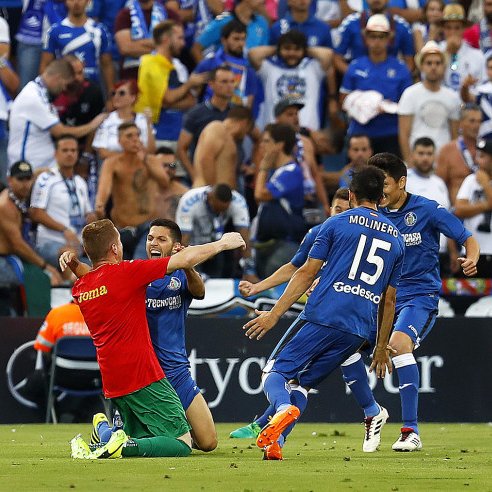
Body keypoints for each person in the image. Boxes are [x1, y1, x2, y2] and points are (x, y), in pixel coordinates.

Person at [243, 166, 405, 460]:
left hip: (323, 314)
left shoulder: (335, 224)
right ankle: (275, 444)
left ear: (352, 194)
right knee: (302, 385)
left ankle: (280, 410)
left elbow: (306, 272)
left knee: (274, 373)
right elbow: (390, 300)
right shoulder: (397, 238)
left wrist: (274, 315)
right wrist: (380, 347)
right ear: (382, 197)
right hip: (359, 328)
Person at [64, 218, 245, 459]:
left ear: (174, 244)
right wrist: (223, 243)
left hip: (154, 373)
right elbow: (106, 276)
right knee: (180, 443)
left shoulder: (86, 286)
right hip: (146, 373)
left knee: (207, 441)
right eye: (150, 238)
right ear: (115, 248)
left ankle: (104, 431)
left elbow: (99, 279)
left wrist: (76, 265)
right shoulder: (132, 273)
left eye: (161, 239)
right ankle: (113, 437)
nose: (153, 243)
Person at [371, 152, 479, 451]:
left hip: (419, 297)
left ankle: (410, 431)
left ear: (402, 182)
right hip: (380, 299)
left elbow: (466, 236)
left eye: (385, 183)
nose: (380, 190)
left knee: (399, 345)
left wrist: (471, 257)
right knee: (340, 342)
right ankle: (371, 413)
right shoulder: (372, 215)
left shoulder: (427, 210)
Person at [7, 58, 107, 170]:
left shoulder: (40, 92)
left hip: (43, 165)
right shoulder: (33, 97)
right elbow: (60, 131)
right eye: (64, 84)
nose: (64, 88)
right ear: (57, 78)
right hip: (28, 168)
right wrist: (93, 124)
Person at [94, 122, 170, 259]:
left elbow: (164, 182)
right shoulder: (112, 163)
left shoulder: (151, 160)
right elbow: (104, 188)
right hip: (121, 228)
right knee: (122, 270)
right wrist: (100, 204)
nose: (135, 139)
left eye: (137, 135)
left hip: (148, 226)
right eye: (129, 136)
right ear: (120, 141)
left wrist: (145, 159)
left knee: (138, 266)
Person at [340, 14, 412, 157]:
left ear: (389, 39)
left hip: (390, 134)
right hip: (360, 135)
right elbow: (343, 99)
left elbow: (407, 104)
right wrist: (364, 103)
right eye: (373, 36)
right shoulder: (355, 67)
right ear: (366, 39)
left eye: (381, 37)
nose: (377, 41)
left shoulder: (401, 69)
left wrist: (386, 106)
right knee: (358, 178)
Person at [134, 20, 208, 155]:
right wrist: (189, 85)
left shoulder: (179, 66)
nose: (183, 43)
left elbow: (191, 101)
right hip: (157, 135)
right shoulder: (150, 63)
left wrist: (174, 99)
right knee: (162, 172)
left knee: (176, 173)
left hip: (178, 135)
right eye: (179, 38)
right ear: (166, 39)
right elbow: (167, 99)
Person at [30, 135, 95, 270]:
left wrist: (93, 218)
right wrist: (64, 229)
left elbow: (88, 214)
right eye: (65, 150)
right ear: (56, 154)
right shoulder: (46, 178)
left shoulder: (80, 182)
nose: (70, 154)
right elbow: (36, 213)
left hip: (78, 245)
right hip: (51, 243)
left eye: (73, 150)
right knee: (69, 258)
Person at [249, 30, 337, 131]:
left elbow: (328, 54)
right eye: (287, 48)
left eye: (296, 49)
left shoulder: (312, 68)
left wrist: (303, 49)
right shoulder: (270, 69)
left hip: (307, 133)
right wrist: (278, 48)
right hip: (275, 132)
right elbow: (253, 54)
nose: (292, 53)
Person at [253, 123, 307, 279]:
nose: (262, 145)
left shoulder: (291, 171)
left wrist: (263, 168)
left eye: (266, 141)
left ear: (279, 145)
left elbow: (260, 195)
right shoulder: (277, 173)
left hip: (284, 244)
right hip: (269, 244)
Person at [0, 161, 62, 287]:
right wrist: (45, 267)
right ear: (10, 180)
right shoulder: (5, 205)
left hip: (24, 249)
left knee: (64, 253)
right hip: (5, 258)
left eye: (28, 179)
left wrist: (43, 171)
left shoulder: (23, 193)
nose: (25, 184)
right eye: (20, 179)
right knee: (39, 277)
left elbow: (35, 176)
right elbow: (18, 245)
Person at [398, 40, 460, 164]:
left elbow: (455, 136)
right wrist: (410, 162)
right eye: (429, 63)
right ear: (422, 66)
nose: (433, 67)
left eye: (437, 63)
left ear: (443, 66)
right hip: (417, 160)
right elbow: (404, 133)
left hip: (443, 161)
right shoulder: (410, 94)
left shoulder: (452, 97)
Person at [176, 183, 255, 279]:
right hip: (193, 247)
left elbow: (244, 238)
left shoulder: (238, 203)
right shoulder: (189, 202)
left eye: (224, 210)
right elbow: (183, 239)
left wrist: (249, 270)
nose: (220, 213)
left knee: (217, 280)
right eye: (217, 209)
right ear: (210, 198)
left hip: (217, 247)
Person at [273, 97, 330, 217]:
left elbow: (315, 175)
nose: (295, 118)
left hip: (309, 202)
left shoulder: (306, 142)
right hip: (283, 202)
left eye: (296, 113)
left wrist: (325, 204)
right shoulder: (270, 142)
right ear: (277, 119)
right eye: (289, 114)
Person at [176, 66, 235, 182]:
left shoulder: (237, 113)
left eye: (232, 82)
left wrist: (252, 166)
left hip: (231, 178)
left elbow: (258, 137)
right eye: (224, 82)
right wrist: (194, 175)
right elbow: (181, 149)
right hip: (202, 178)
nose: (229, 86)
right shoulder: (196, 114)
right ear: (211, 84)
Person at [40, 0, 114, 91]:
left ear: (88, 1)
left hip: (92, 91)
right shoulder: (54, 31)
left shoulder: (100, 30)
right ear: (65, 1)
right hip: (64, 91)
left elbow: (107, 65)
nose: (76, 2)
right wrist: (46, 92)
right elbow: (45, 65)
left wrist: (111, 95)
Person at [334, 0, 415, 74]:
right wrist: (356, 76)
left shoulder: (402, 26)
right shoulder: (350, 23)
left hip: (391, 78)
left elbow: (409, 63)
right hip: (358, 81)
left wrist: (396, 79)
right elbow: (337, 59)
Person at [194, 20, 258, 108]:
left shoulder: (249, 68)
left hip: (234, 116)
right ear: (224, 40)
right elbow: (194, 93)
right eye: (236, 39)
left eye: (243, 39)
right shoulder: (209, 63)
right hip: (209, 115)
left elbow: (249, 103)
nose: (240, 43)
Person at [113, 0, 179, 80]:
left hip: (165, 73)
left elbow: (176, 44)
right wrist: (160, 44)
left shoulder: (170, 14)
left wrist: (137, 43)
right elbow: (125, 48)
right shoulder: (124, 15)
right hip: (133, 75)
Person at [454, 138, 492, 277]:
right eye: (477, 156)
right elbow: (459, 209)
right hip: (472, 252)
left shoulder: (481, 180)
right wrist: (486, 205)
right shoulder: (471, 180)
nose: (477, 161)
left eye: (482, 157)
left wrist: (486, 185)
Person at [92, 79, 156, 161]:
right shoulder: (106, 120)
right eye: (113, 93)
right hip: (113, 167)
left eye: (121, 93)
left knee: (167, 163)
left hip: (140, 167)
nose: (116, 96)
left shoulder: (144, 120)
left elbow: (151, 152)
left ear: (133, 97)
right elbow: (102, 153)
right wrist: (130, 157)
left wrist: (148, 124)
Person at [193, 106, 254, 189]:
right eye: (247, 130)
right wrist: (213, 191)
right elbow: (206, 158)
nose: (245, 134)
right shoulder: (217, 128)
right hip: (209, 194)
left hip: (222, 196)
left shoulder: (229, 139)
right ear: (244, 123)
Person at [191, 0, 269, 63]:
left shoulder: (262, 22)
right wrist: (209, 75)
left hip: (250, 77)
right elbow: (196, 49)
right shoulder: (223, 21)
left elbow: (264, 56)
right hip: (227, 77)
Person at [435, 103, 482, 204]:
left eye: (479, 121)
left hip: (485, 213)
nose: (476, 126)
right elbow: (438, 186)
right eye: (472, 121)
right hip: (456, 213)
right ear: (460, 123)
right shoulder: (447, 151)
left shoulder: (487, 150)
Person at [440, 3, 485, 94]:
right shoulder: (434, 50)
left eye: (457, 28)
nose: (453, 32)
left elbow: (481, 88)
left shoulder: (477, 55)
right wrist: (447, 52)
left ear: (464, 29)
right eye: (448, 28)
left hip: (467, 105)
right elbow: (427, 79)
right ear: (443, 29)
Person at [461, 55, 492, 140]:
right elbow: (467, 99)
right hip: (486, 142)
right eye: (490, 68)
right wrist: (465, 86)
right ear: (487, 70)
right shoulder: (481, 90)